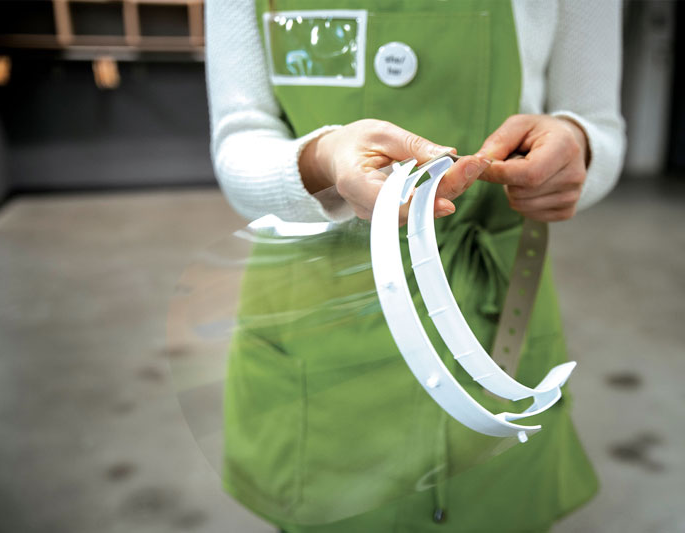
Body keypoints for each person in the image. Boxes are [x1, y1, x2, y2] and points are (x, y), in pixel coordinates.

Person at [205, 1, 625, 531]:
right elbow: (238, 138)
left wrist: (579, 149)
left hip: (495, 312)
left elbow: (600, 123)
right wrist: (323, 160)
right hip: (316, 316)